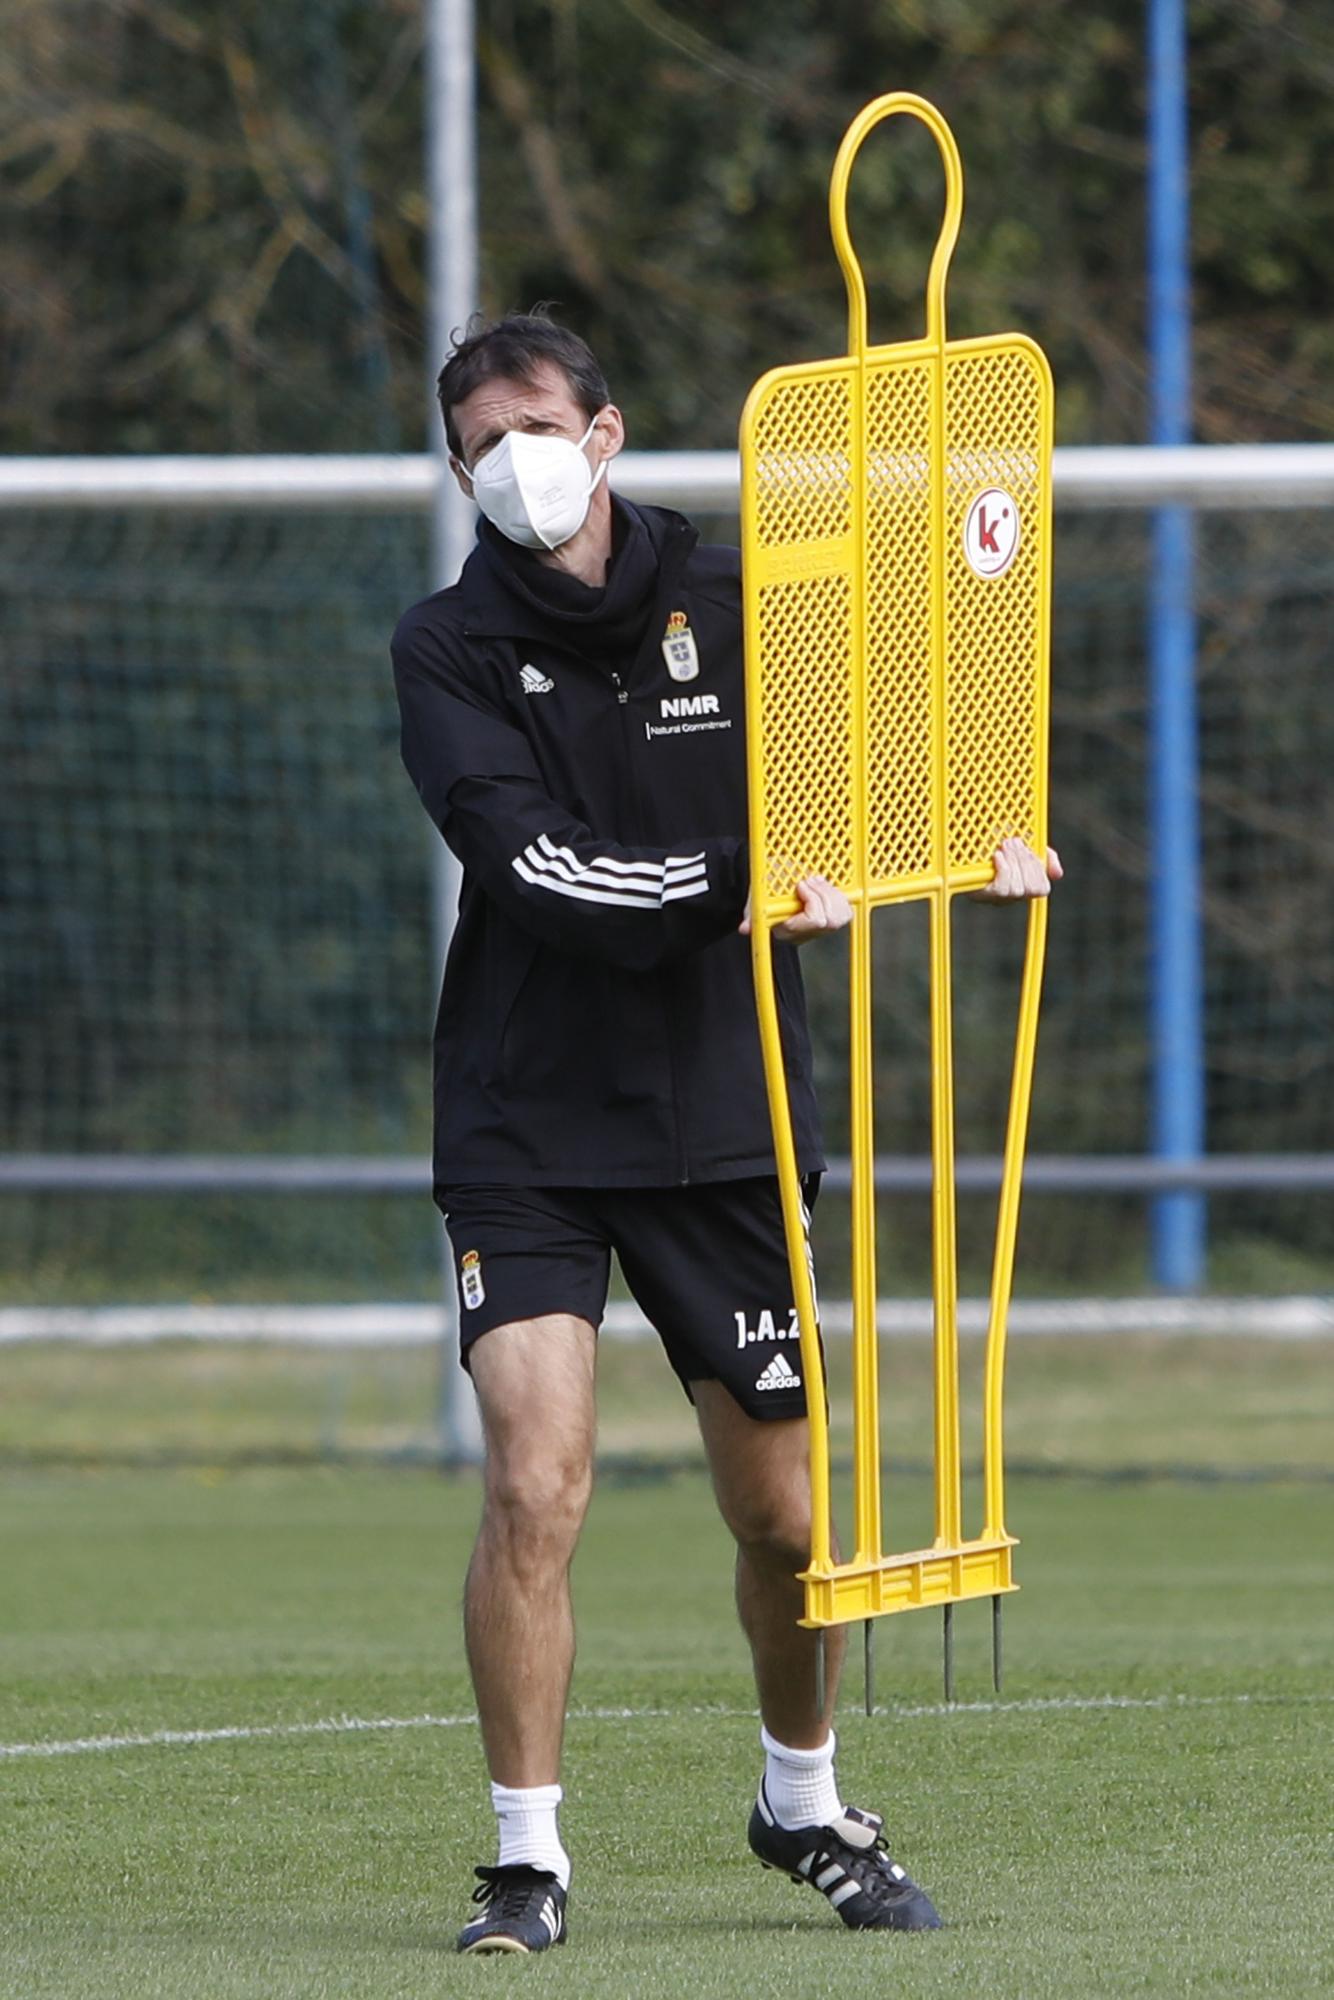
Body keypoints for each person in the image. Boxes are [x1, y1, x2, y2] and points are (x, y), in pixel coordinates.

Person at [391, 311, 1060, 1956]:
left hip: (727, 1114)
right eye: (476, 443)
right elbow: (531, 864)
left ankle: (802, 1801)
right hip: (525, 1123)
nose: (510, 462)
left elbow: (872, 771)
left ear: (606, 433)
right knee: (536, 1487)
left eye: (532, 425)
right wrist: (730, 883)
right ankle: (525, 1860)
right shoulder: (446, 646)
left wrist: (970, 837)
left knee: (783, 1522)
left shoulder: (745, 595)